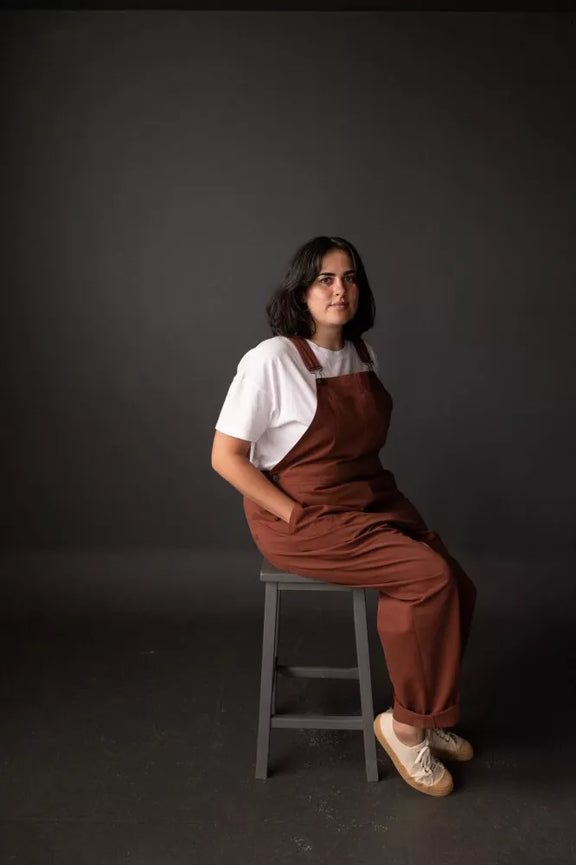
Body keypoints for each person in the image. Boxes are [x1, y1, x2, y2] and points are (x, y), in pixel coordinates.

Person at [211, 235, 477, 797]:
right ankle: (405, 727)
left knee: (456, 583)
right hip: (301, 517)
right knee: (425, 578)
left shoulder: (361, 353)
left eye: (349, 278)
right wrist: (290, 513)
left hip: (367, 498)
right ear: (301, 291)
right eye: (325, 279)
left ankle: (427, 713)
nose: (340, 290)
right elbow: (225, 457)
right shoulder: (271, 359)